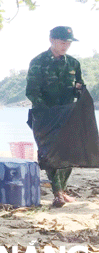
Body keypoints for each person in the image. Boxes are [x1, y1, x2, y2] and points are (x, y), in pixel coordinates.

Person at [26, 26, 84, 208]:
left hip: (67, 115)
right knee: (50, 153)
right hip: (46, 116)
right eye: (62, 42)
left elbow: (79, 85)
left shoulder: (73, 63)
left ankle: (62, 190)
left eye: (68, 43)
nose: (65, 45)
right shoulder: (38, 62)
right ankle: (57, 192)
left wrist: (80, 91)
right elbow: (32, 91)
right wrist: (48, 112)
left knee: (70, 152)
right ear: (51, 40)